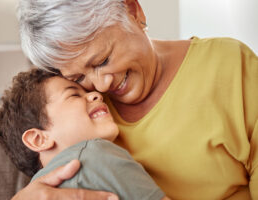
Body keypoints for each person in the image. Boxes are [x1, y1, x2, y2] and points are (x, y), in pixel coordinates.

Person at [15, 0, 258, 199]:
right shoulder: (82, 117)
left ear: (133, 11)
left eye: (102, 61)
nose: (100, 86)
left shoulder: (229, 65)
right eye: (78, 77)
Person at [0, 68, 167, 200]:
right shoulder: (96, 154)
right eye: (73, 94)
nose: (96, 95)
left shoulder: (33, 192)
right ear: (39, 139)